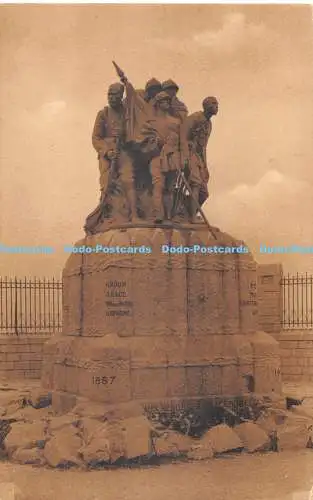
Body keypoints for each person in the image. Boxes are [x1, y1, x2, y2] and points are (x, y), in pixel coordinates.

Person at [91, 82, 137, 221]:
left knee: (129, 181)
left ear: (121, 96)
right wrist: (107, 152)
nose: (110, 97)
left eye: (114, 95)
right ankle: (106, 216)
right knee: (107, 184)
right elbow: (96, 138)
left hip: (124, 150)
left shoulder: (128, 113)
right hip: (107, 154)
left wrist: (125, 134)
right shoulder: (103, 114)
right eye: (109, 94)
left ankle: (134, 215)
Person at [137, 91, 181, 223]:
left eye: (167, 101)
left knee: (171, 187)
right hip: (156, 157)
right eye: (163, 101)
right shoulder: (151, 122)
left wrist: (182, 157)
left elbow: (181, 141)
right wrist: (155, 142)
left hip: (173, 158)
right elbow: (143, 139)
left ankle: (170, 215)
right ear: (157, 103)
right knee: (158, 185)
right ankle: (159, 215)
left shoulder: (176, 122)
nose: (166, 103)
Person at [183, 96, 218, 205]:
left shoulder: (209, 124)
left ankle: (185, 210)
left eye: (217, 105)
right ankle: (192, 216)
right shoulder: (195, 118)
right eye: (214, 104)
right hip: (189, 155)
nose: (217, 107)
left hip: (199, 158)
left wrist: (205, 166)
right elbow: (183, 135)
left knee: (204, 193)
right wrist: (185, 157)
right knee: (196, 184)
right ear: (207, 106)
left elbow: (203, 146)